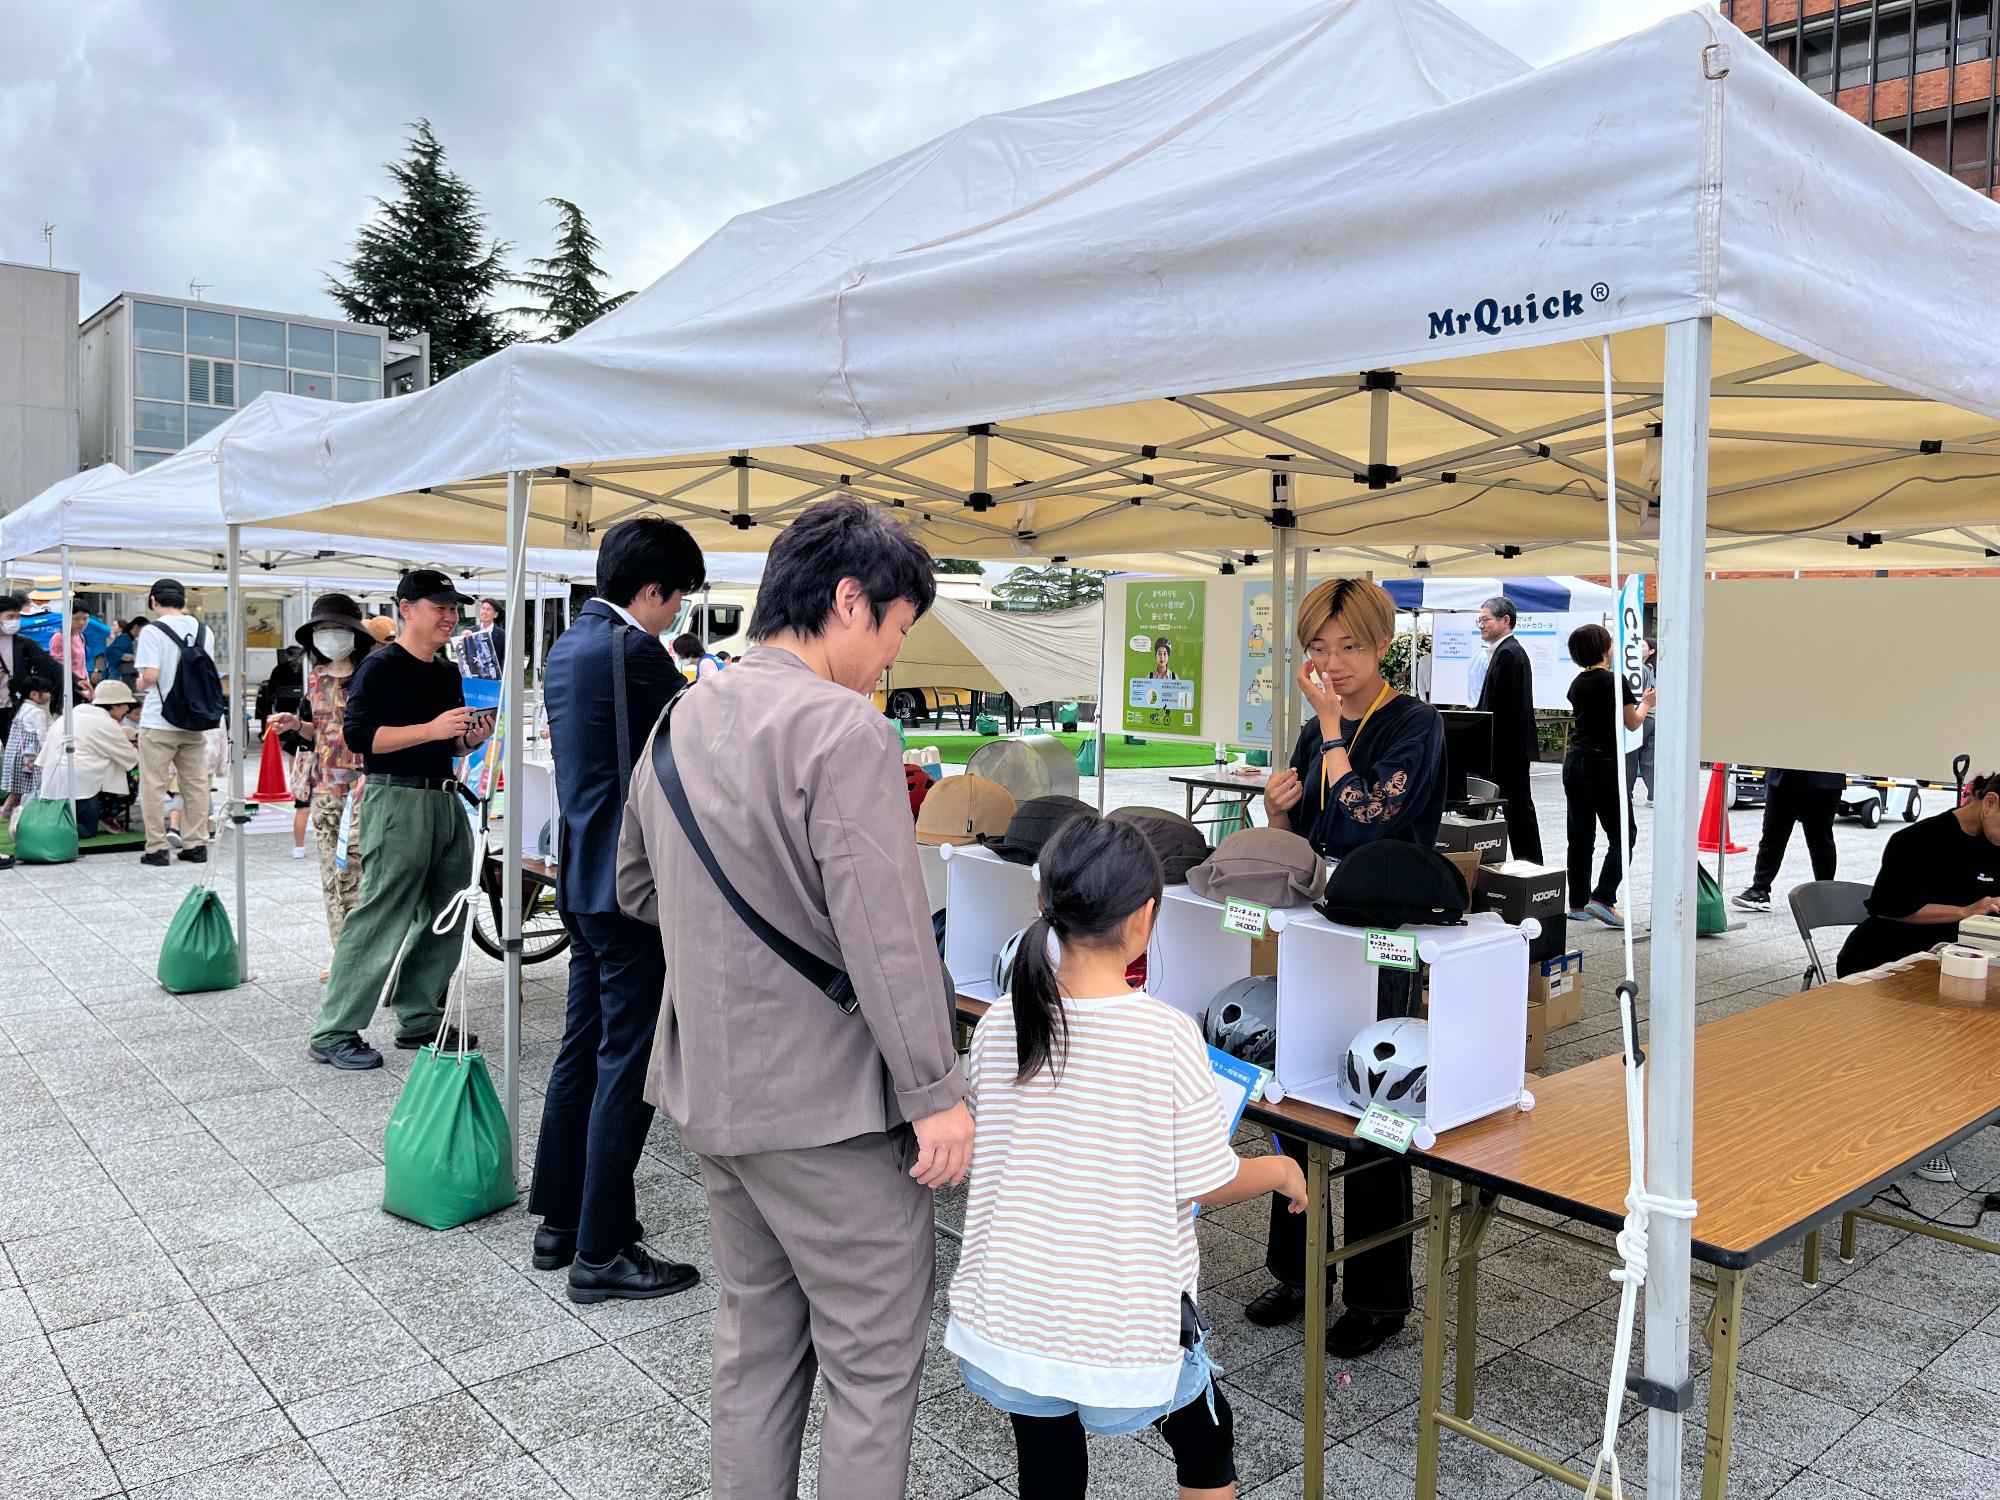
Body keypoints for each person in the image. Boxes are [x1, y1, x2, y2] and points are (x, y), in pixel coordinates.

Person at [617, 497, 970, 1500]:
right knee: (872, 1366)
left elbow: (633, 886)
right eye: (896, 630)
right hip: (830, 1110)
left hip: (715, 1090)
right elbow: (888, 938)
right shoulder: (843, 728)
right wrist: (936, 1093)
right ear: (850, 600)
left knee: (755, 1351)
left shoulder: (682, 716)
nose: (890, 659)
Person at [949, 813, 1306, 1500]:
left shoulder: (1001, 1021)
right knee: (1206, 1445)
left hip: (1012, 1311)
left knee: (1047, 1466)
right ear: (1144, 918)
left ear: (1042, 901)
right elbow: (1207, 1178)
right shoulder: (1165, 1035)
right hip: (1121, 1318)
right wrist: (1283, 1170)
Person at [1255, 577, 1447, 1358]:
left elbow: (1371, 819)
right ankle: (1298, 1271)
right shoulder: (1316, 731)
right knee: (1297, 1095)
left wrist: (1333, 730)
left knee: (1376, 1105)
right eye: (1318, 649)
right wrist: (1278, 810)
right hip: (1318, 932)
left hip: (1386, 936)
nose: (1331, 664)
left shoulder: (1414, 725)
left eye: (1350, 647)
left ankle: (1378, 1295)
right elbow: (1309, 835)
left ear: (1383, 646)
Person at [530, 518, 706, 1302]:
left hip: (580, 874)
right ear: (653, 590)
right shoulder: (635, 652)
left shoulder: (569, 645)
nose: (677, 614)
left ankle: (561, 1221)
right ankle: (602, 1251)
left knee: (583, 1047)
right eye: (678, 599)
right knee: (627, 1060)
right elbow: (696, 743)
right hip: (630, 886)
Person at [306, 569, 493, 1071]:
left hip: (444, 798)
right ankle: (335, 1029)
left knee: (449, 910)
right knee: (381, 912)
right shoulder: (379, 666)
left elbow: (448, 742)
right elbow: (360, 738)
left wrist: (469, 738)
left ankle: (419, 1016)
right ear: (406, 608)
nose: (450, 617)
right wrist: (432, 728)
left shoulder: (447, 672)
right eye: (440, 607)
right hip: (396, 798)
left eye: (454, 608)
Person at [264, 595, 376, 980]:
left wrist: (372, 770)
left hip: (364, 787)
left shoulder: (370, 673)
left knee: (358, 874)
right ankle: (342, 957)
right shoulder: (316, 676)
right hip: (325, 789)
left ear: (354, 633)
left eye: (338, 629)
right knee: (331, 876)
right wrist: (297, 726)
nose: (330, 637)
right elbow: (324, 731)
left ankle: (366, 957)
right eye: (323, 630)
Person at [1836, 772, 2000, 977]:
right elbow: (1891, 908)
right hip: (1886, 959)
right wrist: (1965, 911)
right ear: (1990, 802)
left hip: (1954, 960)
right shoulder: (1918, 841)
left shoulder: (1993, 843)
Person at [1562, 623, 1653, 929]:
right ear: (1603, 648)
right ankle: (1602, 897)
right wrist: (1647, 703)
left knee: (1580, 836)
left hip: (1574, 762)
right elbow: (1633, 722)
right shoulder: (1614, 681)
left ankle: (1577, 903)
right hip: (1602, 764)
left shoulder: (1576, 684)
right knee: (1624, 834)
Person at [134, 579, 216, 868]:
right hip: (193, 720)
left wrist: (140, 682)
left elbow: (151, 676)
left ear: (153, 601)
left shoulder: (151, 631)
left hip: (159, 720)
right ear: (183, 600)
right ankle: (196, 844)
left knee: (154, 785)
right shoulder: (204, 630)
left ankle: (157, 848)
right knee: (195, 784)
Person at [1473, 594, 1543, 863]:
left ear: (1505, 620)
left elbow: (1501, 708)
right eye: (1479, 620)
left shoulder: (1508, 653)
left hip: (1507, 750)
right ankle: (1530, 865)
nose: (1481, 624)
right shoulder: (1506, 651)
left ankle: (1531, 866)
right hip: (1508, 749)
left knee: (1518, 811)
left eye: (1485, 619)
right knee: (1516, 810)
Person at [37, 679, 140, 837]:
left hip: (52, 784)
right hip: (82, 788)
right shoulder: (107, 723)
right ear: (115, 705)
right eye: (126, 705)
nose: (127, 709)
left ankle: (40, 826)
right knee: (134, 772)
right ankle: (107, 814)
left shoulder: (70, 715)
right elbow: (131, 758)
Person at [1733, 768, 1843, 912]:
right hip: (1784, 776)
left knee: (1819, 839)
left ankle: (1825, 893)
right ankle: (1759, 890)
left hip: (1822, 779)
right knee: (1772, 835)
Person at [1, 671, 54, 823]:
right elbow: (42, 737)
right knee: (32, 786)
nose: (49, 695)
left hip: (15, 754)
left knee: (18, 788)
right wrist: (48, 755)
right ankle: (25, 812)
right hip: (29, 755)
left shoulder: (22, 707)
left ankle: (5, 810)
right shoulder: (37, 712)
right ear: (34, 695)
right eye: (46, 691)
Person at [1627, 639, 1658, 803]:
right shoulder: (1654, 669)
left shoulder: (1641, 670)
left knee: (1630, 756)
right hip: (1653, 718)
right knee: (1649, 759)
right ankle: (1654, 795)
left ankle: (1627, 794)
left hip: (1641, 716)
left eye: (1642, 645)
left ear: (1651, 651)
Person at [49, 602, 95, 704]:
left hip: (82, 685)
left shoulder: (80, 636)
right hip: (66, 688)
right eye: (76, 619)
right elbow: (59, 667)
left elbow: (82, 666)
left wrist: (88, 684)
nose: (81, 623)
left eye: (85, 618)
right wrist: (77, 688)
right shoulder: (59, 637)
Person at [101, 616, 145, 689]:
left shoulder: (125, 637)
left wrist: (130, 657)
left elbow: (112, 651)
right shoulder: (123, 638)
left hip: (121, 671)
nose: (112, 627)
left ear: (121, 628)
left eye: (114, 625)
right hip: (119, 670)